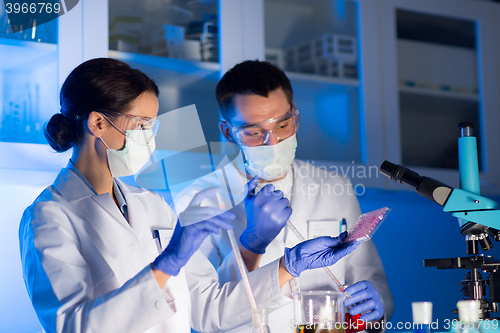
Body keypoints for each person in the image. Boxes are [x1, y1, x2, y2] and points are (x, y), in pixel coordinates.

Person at [19, 58, 361, 333]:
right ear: (97, 123)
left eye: (153, 127)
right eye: (141, 126)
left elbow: (209, 309)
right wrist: (168, 262)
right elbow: (72, 326)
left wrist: (291, 265)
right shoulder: (48, 216)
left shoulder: (151, 204)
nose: (149, 139)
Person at [175, 60, 394, 333]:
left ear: (295, 116)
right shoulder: (197, 201)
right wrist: (251, 243)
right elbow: (203, 315)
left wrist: (378, 305)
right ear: (228, 132)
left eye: (282, 125)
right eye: (254, 132)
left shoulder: (334, 185)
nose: (273, 141)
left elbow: (369, 275)